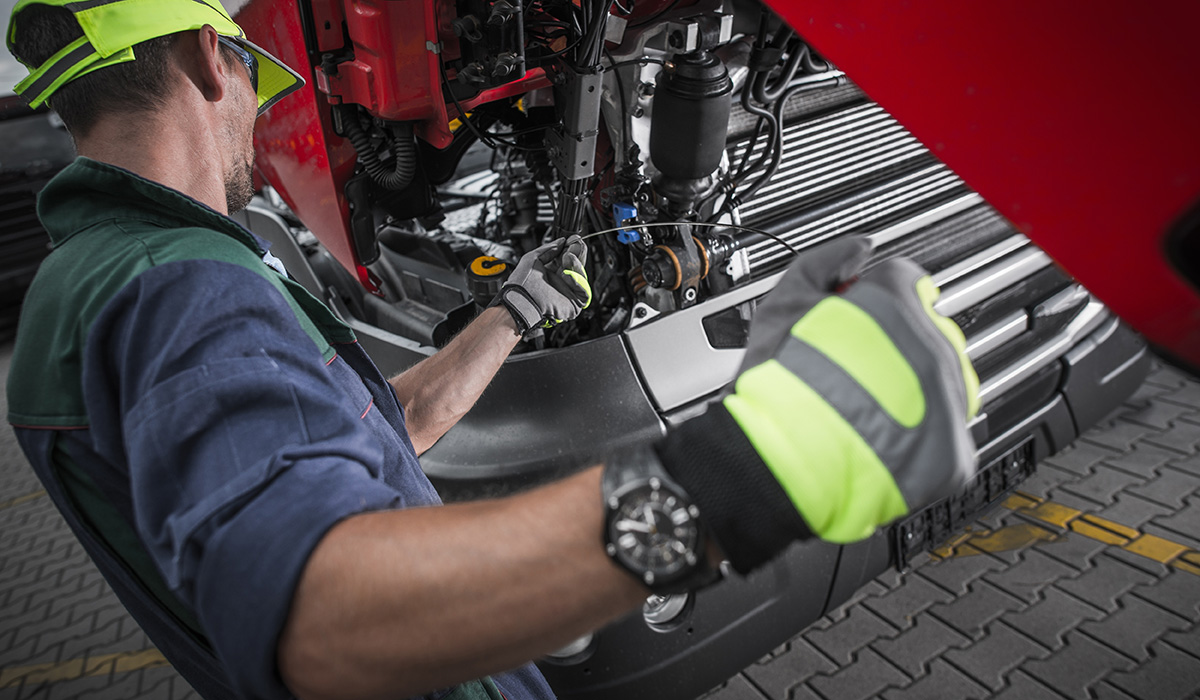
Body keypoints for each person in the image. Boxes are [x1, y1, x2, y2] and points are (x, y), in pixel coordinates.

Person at [4, 1, 980, 699]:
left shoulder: (86, 282)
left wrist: (514, 310)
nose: (257, 114)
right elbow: (320, 612)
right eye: (251, 77)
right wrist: (760, 466)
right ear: (204, 59)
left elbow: (391, 429)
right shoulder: (185, 285)